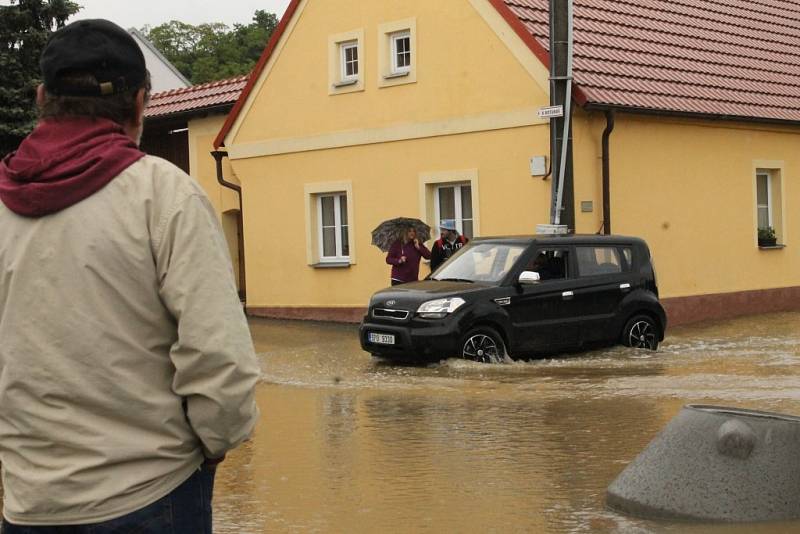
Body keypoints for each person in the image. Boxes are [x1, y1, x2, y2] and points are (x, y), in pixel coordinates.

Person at [0, 19, 260, 532]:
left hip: (29, 505)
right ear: (141, 102)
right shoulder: (165, 194)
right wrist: (215, 442)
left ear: (40, 97)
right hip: (151, 495)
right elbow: (220, 358)